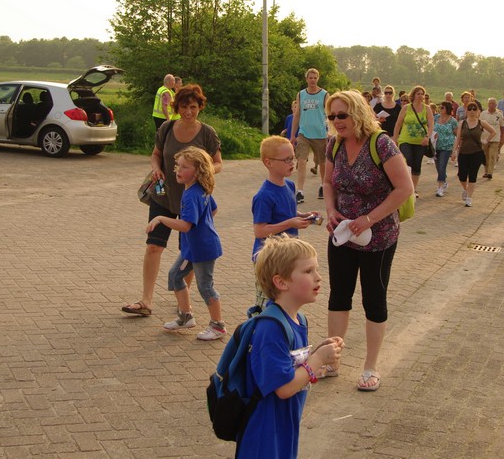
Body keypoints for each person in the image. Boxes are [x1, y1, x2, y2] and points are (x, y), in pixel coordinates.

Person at [322, 90, 413, 391]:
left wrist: (370, 219)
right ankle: (332, 361)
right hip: (343, 233)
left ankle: (370, 367)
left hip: (379, 237)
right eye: (332, 116)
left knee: (373, 298)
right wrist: (331, 210)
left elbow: (404, 188)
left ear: (358, 113)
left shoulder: (381, 144)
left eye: (342, 115)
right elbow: (327, 182)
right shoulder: (334, 144)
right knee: (339, 295)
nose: (336, 121)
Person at [238, 236, 344, 458]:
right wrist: (317, 359)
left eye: (316, 269)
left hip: (285, 422)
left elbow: (295, 367)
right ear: (282, 282)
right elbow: (284, 388)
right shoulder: (271, 328)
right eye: (308, 271)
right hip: (265, 431)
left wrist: (321, 354)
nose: (318, 277)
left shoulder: (298, 319)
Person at [123, 84, 223, 318]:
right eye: (184, 107)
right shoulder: (167, 128)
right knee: (154, 246)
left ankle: (183, 302)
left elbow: (218, 163)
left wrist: (202, 173)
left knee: (189, 251)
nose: (188, 112)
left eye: (193, 107)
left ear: (200, 107)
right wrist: (156, 168)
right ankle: (146, 301)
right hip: (164, 195)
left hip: (192, 198)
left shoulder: (207, 133)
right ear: (177, 107)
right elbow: (156, 154)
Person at [147, 147, 226, 340]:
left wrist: (161, 218)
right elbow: (213, 210)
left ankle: (218, 326)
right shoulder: (199, 188)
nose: (178, 170)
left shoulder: (191, 195)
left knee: (205, 286)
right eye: (177, 166)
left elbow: (185, 225)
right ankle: (185, 316)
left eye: (184, 167)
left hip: (202, 249)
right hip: (193, 248)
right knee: (175, 276)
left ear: (198, 171)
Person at [251, 136, 317, 311]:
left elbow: (286, 211)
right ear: (269, 162)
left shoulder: (289, 185)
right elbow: (260, 231)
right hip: (269, 258)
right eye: (286, 160)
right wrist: (291, 223)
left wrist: (304, 216)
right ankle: (261, 326)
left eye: (293, 157)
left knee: (287, 299)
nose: (292, 163)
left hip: (288, 255)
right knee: (267, 303)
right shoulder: (264, 196)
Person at [290, 68, 329, 205]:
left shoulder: (324, 94)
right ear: (306, 79)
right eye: (310, 77)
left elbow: (329, 114)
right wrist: (293, 135)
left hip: (320, 134)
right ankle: (300, 191)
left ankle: (323, 186)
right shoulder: (301, 94)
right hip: (304, 133)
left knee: (322, 162)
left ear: (318, 79)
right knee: (301, 160)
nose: (313, 80)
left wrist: (330, 132)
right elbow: (297, 115)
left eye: (315, 77)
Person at [451, 101, 496, 207]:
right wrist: (454, 151)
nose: (472, 111)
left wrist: (486, 140)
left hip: (476, 153)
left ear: (478, 111)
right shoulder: (462, 123)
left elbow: (493, 131)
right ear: (466, 111)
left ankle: (469, 198)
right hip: (463, 152)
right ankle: (466, 189)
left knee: (472, 175)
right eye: (470, 109)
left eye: (474, 109)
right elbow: (458, 138)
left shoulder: (481, 123)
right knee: (462, 176)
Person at [392, 86, 433, 198]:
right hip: (405, 140)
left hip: (420, 142)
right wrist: (395, 139)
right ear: (413, 95)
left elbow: (431, 125)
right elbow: (398, 124)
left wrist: (427, 137)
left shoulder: (427, 109)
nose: (420, 96)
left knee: (417, 165)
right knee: (408, 160)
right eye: (418, 93)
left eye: (422, 94)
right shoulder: (406, 108)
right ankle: (405, 186)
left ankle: (413, 189)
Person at [433, 101, 459, 197]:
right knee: (438, 166)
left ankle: (440, 187)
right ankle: (444, 181)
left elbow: (457, 135)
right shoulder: (435, 118)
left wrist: (454, 150)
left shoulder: (453, 121)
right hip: (436, 146)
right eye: (440, 107)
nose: (440, 109)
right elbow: (430, 128)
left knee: (442, 165)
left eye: (442, 107)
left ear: (447, 109)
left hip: (447, 147)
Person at [480, 97, 504, 180]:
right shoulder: (483, 114)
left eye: (493, 103)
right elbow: (480, 126)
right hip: (485, 138)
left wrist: (503, 138)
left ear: (496, 105)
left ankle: (490, 172)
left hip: (495, 138)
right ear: (488, 104)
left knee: (492, 155)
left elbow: (502, 127)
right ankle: (486, 171)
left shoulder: (499, 114)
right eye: (490, 103)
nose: (491, 105)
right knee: (485, 156)